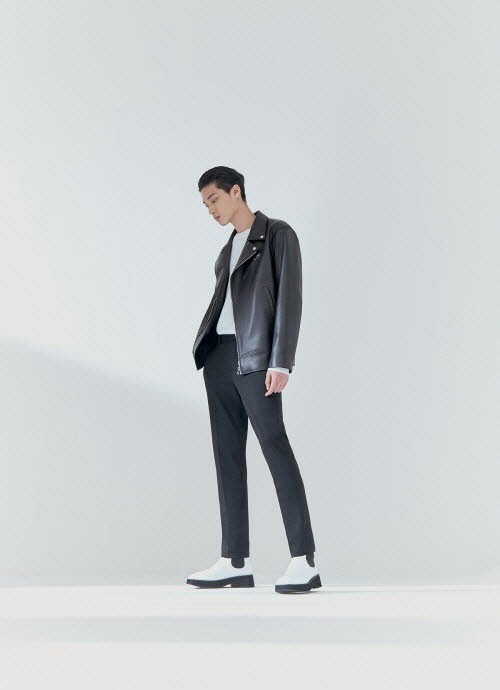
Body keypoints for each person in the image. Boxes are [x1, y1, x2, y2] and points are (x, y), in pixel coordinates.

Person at [188, 166, 321, 594]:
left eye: (214, 199)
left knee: (275, 448)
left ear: (236, 191)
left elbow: (289, 300)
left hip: (257, 360)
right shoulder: (227, 249)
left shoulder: (278, 235)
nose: (210, 210)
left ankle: (303, 560)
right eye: (205, 204)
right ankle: (234, 560)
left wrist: (281, 362)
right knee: (226, 456)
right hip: (219, 357)